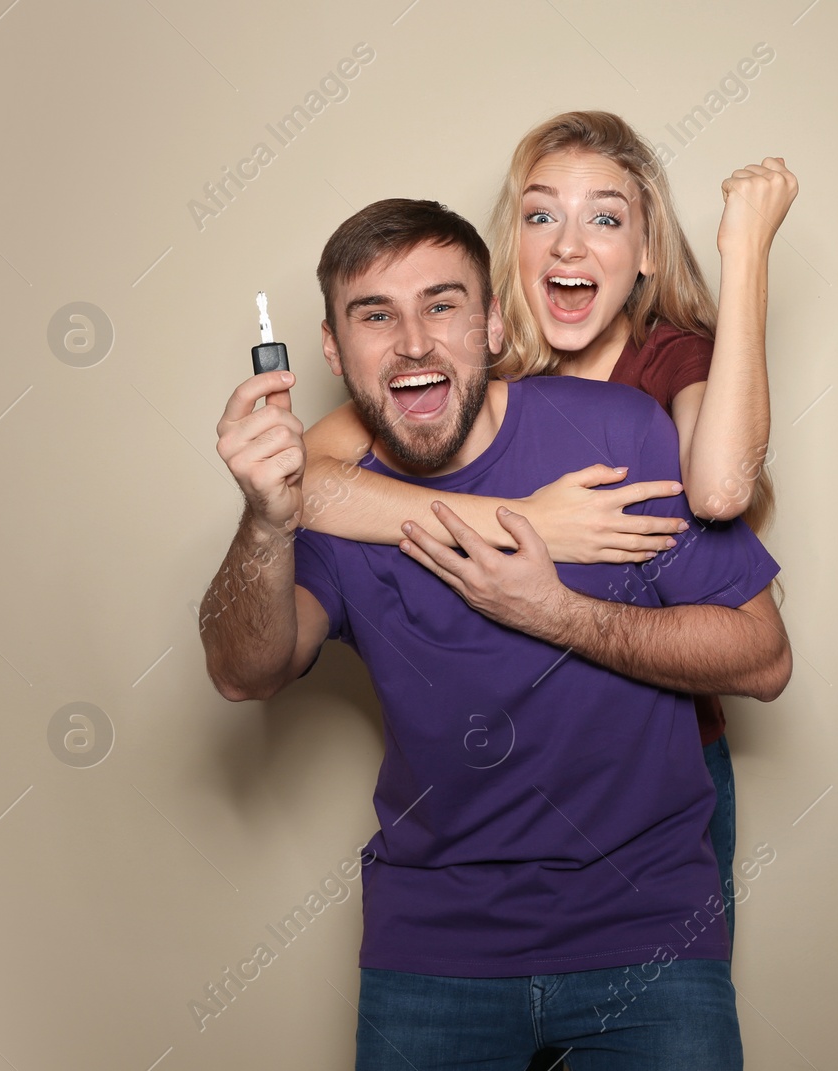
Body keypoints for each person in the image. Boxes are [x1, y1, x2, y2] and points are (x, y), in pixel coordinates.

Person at [200, 197, 790, 1069]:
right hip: (434, 952)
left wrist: (553, 610)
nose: (412, 341)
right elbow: (245, 671)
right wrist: (261, 521)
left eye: (441, 305)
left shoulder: (620, 431)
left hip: (647, 933)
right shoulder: (323, 501)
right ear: (330, 347)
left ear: (490, 325)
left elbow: (764, 658)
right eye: (375, 315)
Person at [297, 112, 798, 941]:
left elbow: (719, 489)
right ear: (510, 252)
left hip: (655, 782)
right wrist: (523, 520)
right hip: (486, 792)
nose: (568, 247)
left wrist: (746, 251)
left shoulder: (669, 362)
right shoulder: (468, 371)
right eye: (541, 216)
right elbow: (302, 486)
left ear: (646, 254)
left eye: (604, 217)